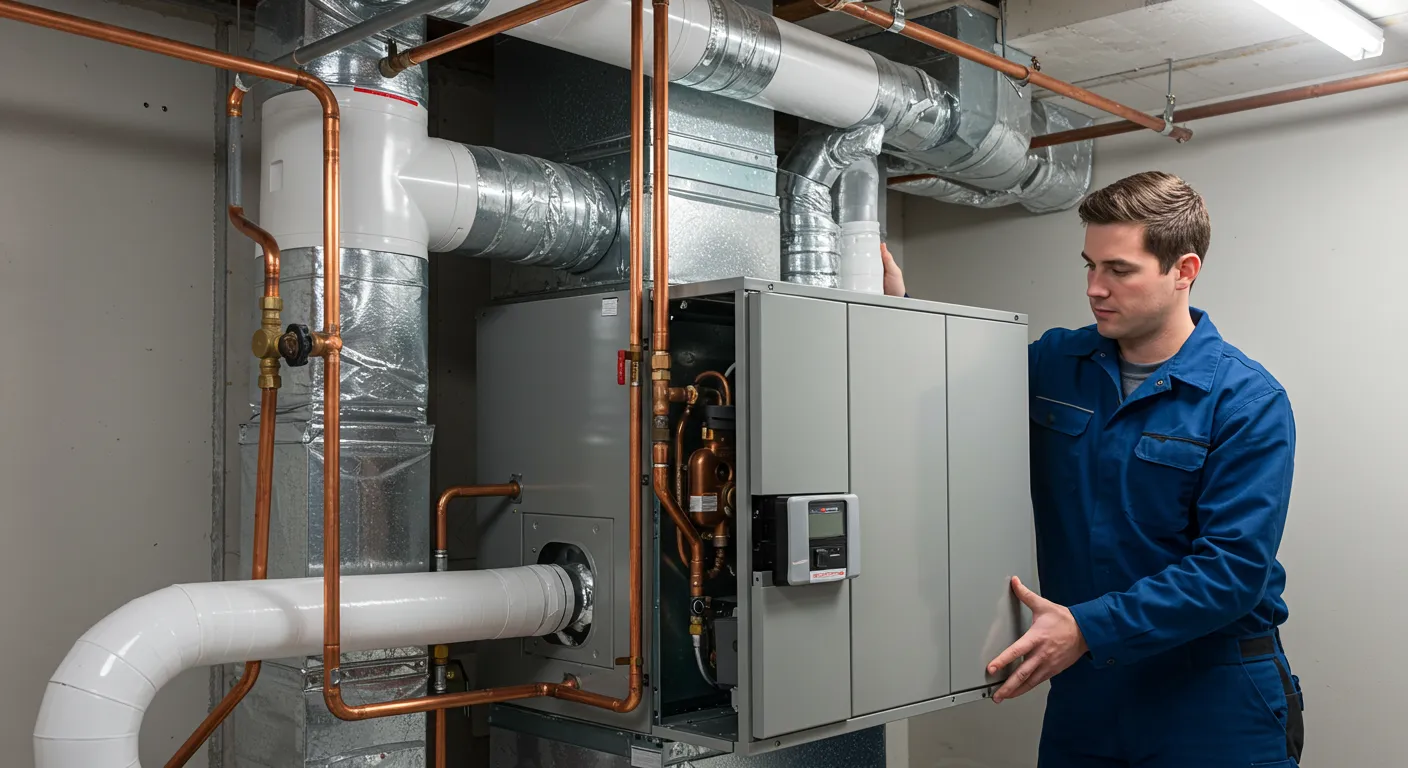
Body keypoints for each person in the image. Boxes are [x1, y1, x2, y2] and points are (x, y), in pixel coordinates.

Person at [882, 171, 1304, 767]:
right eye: (1090, 266)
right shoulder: (1056, 363)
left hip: (1212, 691)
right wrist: (894, 315)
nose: (1094, 288)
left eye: (1119, 270)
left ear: (1184, 270)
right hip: (1091, 686)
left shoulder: (1246, 401)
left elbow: (1232, 571)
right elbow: (946, 399)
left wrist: (1086, 629)